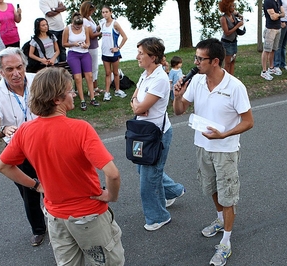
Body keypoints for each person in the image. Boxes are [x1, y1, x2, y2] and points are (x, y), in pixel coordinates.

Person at [0, 67, 125, 265]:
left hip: (55, 217)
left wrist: (36, 185)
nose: (73, 94)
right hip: (88, 215)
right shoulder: (80, 129)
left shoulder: (25, 131)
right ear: (57, 99)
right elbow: (112, 174)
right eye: (70, 90)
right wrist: (111, 196)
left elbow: (3, 166)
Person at [172, 38, 254, 266]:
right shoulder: (197, 82)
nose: (195, 62)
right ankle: (219, 220)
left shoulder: (235, 87)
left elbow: (248, 121)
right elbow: (179, 112)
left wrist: (224, 135)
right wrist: (177, 96)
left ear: (215, 61)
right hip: (203, 146)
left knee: (227, 196)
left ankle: (226, 242)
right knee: (212, 189)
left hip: (225, 150)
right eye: (196, 58)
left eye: (200, 58)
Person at [0, 47, 46, 247]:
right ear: (1, 72)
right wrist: (3, 129)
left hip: (45, 145)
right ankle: (39, 230)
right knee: (30, 192)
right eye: (9, 69)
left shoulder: (37, 80)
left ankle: (64, 221)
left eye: (19, 67)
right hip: (19, 151)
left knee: (56, 183)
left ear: (24, 65)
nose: (16, 73)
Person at [131, 37, 185, 231]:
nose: (137, 56)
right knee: (143, 170)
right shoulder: (145, 74)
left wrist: (138, 106)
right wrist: (138, 105)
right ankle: (173, 191)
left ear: (153, 57)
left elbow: (139, 107)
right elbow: (135, 100)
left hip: (156, 135)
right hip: (140, 132)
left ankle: (158, 217)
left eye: (141, 53)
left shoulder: (160, 79)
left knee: (148, 177)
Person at [62, 12, 99, 111]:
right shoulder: (67, 29)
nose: (78, 28)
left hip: (85, 53)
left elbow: (88, 42)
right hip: (73, 53)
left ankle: (92, 97)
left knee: (89, 76)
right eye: (76, 27)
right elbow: (64, 43)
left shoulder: (85, 28)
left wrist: (86, 45)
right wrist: (73, 44)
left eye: (80, 26)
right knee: (78, 77)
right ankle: (82, 100)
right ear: (72, 23)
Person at [100, 5, 128, 101]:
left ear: (111, 12)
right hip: (105, 53)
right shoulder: (102, 23)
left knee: (116, 73)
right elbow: (95, 30)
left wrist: (118, 48)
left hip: (114, 54)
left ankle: (117, 90)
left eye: (106, 12)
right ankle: (107, 93)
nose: (105, 14)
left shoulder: (115, 24)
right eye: (103, 12)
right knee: (107, 73)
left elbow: (125, 37)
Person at [80, 1, 103, 97]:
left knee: (95, 67)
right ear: (87, 10)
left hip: (94, 45)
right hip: (90, 46)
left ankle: (95, 87)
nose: (92, 13)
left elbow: (94, 29)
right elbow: (91, 35)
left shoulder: (90, 18)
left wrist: (100, 26)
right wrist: (102, 33)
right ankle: (91, 89)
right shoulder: (84, 20)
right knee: (92, 67)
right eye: (91, 11)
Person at [261, 0, 285, 81]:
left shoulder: (278, 1)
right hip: (270, 29)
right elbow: (273, 17)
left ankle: (271, 67)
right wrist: (279, 14)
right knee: (267, 50)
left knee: (273, 49)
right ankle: (264, 71)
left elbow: (283, 13)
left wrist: (277, 15)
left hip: (278, 28)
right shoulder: (268, 1)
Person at [219, 0, 244, 75]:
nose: (233, 8)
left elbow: (237, 13)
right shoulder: (223, 18)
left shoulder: (233, 14)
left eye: (234, 6)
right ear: (227, 8)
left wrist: (240, 15)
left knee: (233, 61)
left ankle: (232, 78)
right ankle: (225, 78)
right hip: (227, 42)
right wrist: (237, 26)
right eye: (232, 6)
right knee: (227, 63)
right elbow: (227, 33)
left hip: (234, 41)